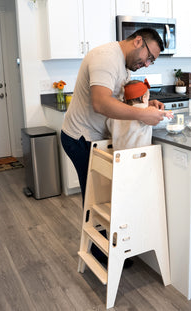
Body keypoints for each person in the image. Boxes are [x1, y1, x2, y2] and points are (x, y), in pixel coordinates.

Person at [61, 28, 167, 204]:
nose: (147, 64)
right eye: (149, 57)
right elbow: (100, 103)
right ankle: (100, 231)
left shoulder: (123, 64)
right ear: (138, 41)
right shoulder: (106, 58)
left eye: (152, 62)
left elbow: (116, 99)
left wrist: (146, 105)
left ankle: (108, 230)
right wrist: (142, 115)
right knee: (96, 200)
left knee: (105, 197)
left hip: (96, 136)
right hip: (80, 137)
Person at [106, 79, 173, 151]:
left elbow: (109, 124)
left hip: (119, 156)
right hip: (138, 155)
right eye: (148, 98)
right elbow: (156, 115)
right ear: (143, 98)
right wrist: (165, 113)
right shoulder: (143, 110)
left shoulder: (116, 113)